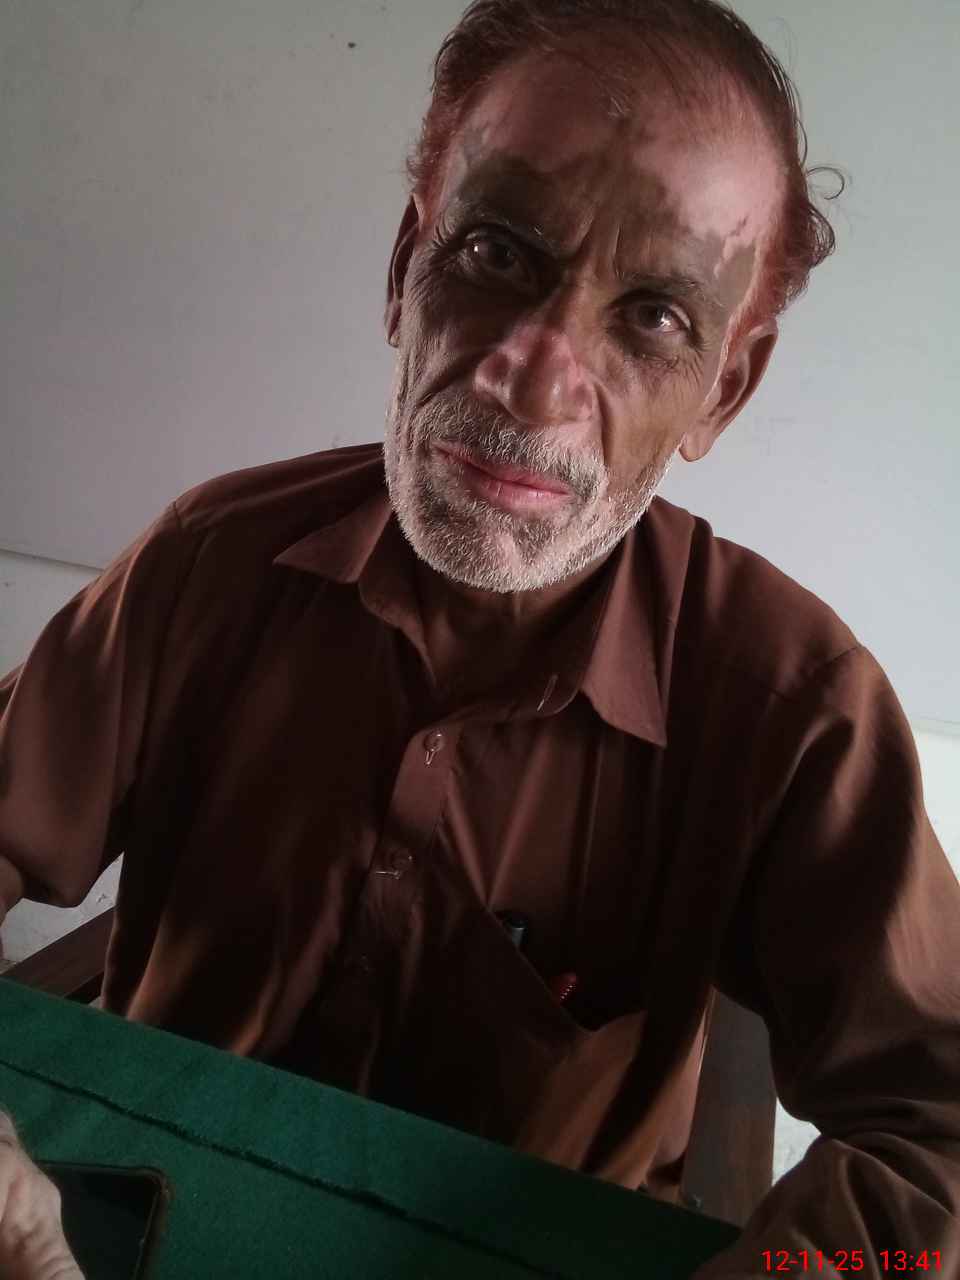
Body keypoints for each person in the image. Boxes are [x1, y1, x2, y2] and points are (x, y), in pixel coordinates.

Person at [1, 1, 958, 1276]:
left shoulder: (795, 706)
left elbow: (941, 1134)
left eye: (654, 316)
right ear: (407, 268)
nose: (532, 371)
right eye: (498, 252)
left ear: (723, 389)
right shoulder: (209, 562)